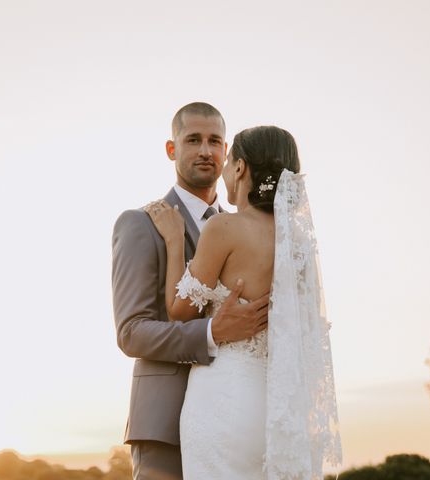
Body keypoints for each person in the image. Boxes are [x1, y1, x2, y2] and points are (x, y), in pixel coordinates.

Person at [145, 125, 342, 479]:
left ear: (239, 168)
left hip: (225, 399)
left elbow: (179, 311)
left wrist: (175, 241)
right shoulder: (297, 243)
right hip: (279, 408)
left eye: (228, 161)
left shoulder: (224, 228)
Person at [111, 102, 270, 480]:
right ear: (172, 149)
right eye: (193, 139)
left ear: (227, 153)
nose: (205, 150)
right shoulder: (141, 224)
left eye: (215, 141)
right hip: (164, 423)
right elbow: (131, 332)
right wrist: (212, 333)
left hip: (236, 418)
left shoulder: (249, 231)